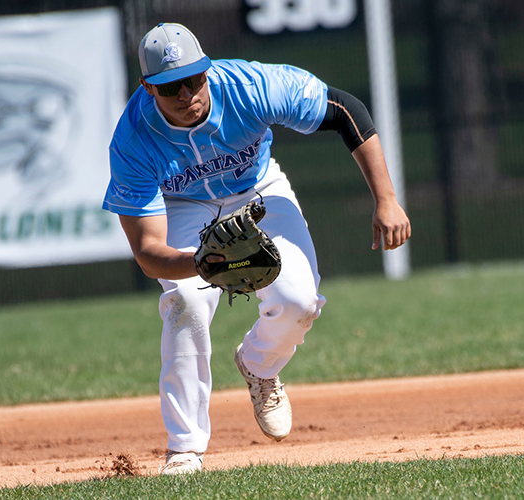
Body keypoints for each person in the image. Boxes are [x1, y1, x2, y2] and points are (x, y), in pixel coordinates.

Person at [102, 23, 411, 475]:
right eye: (171, 86)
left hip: (256, 189)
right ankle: (185, 449)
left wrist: (386, 199)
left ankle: (259, 366)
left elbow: (345, 109)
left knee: (299, 302)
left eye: (194, 78)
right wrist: (199, 264)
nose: (188, 93)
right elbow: (149, 251)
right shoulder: (132, 140)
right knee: (185, 301)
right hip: (184, 205)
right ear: (149, 86)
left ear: (207, 69)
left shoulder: (250, 87)